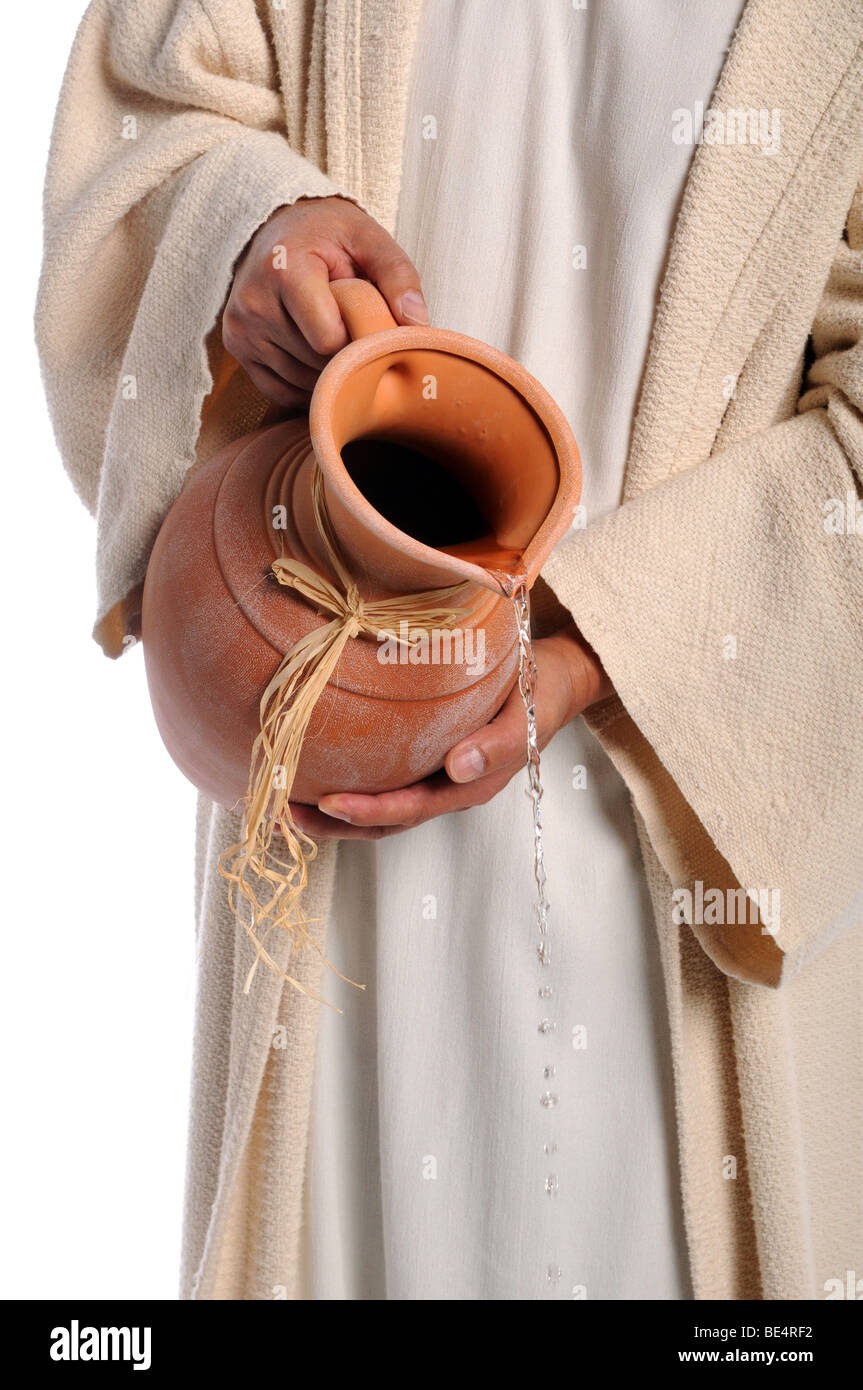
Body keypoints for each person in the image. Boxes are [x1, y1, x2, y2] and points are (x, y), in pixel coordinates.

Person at [37, 0, 863, 1300]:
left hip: (689, 848)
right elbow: (154, 100)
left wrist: (613, 641)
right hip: (332, 865)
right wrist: (254, 232)